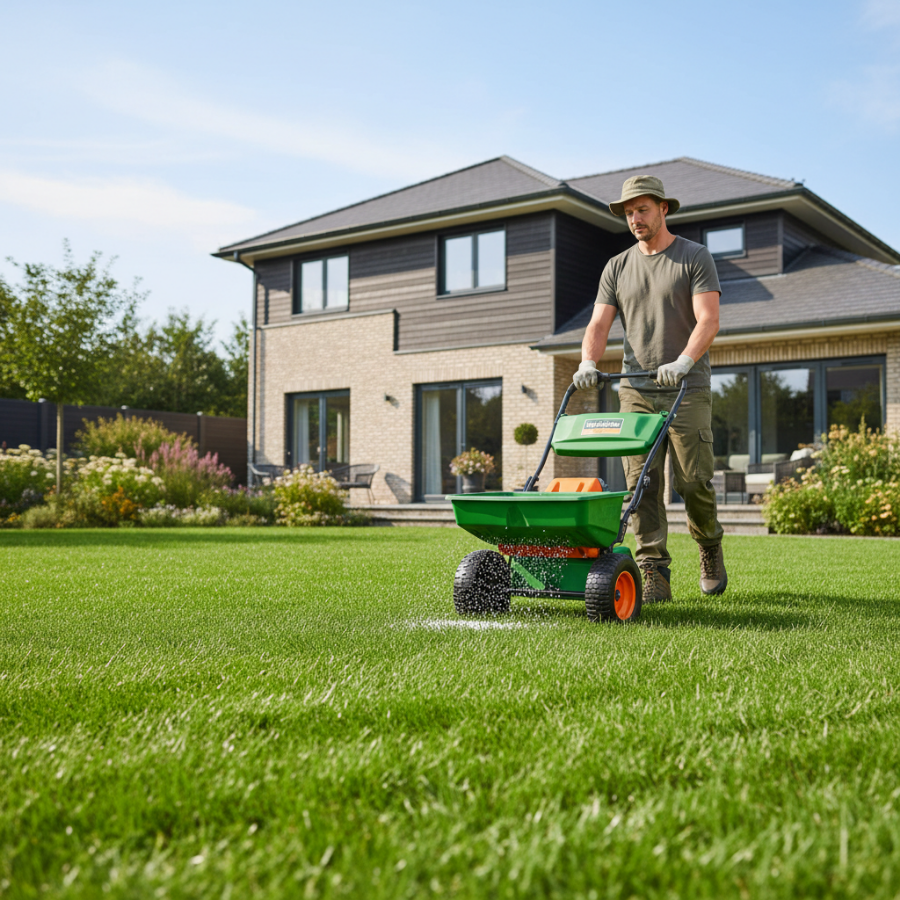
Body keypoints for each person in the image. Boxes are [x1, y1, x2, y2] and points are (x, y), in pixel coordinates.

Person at [574, 175, 727, 602]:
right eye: (628, 212)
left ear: (663, 209)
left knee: (693, 480)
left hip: (686, 386)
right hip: (637, 390)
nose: (635, 218)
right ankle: (653, 569)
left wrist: (683, 361)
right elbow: (598, 324)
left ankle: (709, 545)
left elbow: (708, 319)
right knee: (640, 483)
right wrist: (588, 360)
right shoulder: (617, 266)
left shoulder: (694, 257)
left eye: (642, 209)